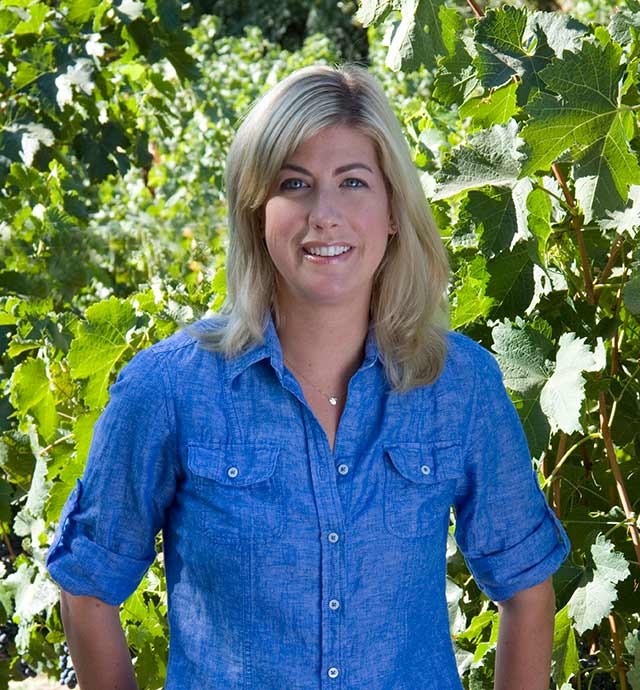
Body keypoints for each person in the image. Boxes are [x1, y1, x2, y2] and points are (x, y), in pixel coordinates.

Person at [46, 64, 570, 690]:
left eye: (353, 182)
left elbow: (528, 588)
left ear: (393, 211)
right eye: (295, 184)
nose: (325, 214)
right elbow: (87, 587)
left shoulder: (459, 386)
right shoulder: (169, 391)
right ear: (257, 211)